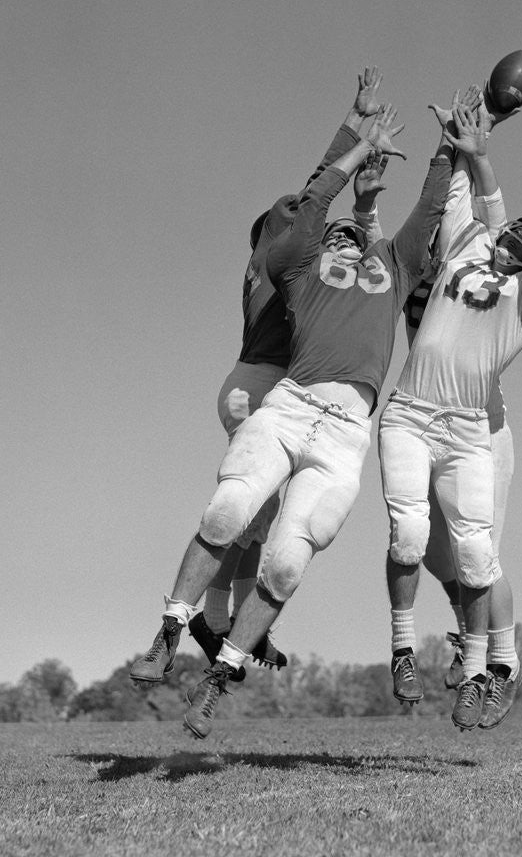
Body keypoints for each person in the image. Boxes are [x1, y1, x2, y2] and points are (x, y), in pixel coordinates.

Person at [134, 95, 456, 739]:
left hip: (344, 434)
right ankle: (171, 627)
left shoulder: (391, 270)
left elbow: (426, 214)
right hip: (288, 403)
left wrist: (449, 151)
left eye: (354, 235)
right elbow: (308, 211)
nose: (344, 239)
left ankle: (219, 675)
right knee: (228, 512)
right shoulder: (297, 269)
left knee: (285, 560)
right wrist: (357, 150)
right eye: (334, 235)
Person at [186, 68, 387, 678]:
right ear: (269, 233)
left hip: (266, 383)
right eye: (291, 217)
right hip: (265, 383)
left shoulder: (284, 266)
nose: (308, 224)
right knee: (244, 513)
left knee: (260, 515)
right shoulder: (277, 259)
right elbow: (312, 190)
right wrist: (352, 132)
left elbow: (315, 194)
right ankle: (216, 620)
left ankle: (223, 620)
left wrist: (355, 124)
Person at [379, 103, 522, 731]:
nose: (516, 232)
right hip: (420, 415)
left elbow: (518, 228)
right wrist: (460, 142)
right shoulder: (446, 263)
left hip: (480, 428)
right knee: (431, 555)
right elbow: (462, 203)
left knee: (479, 556)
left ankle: (500, 665)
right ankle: (467, 635)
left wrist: (516, 170)